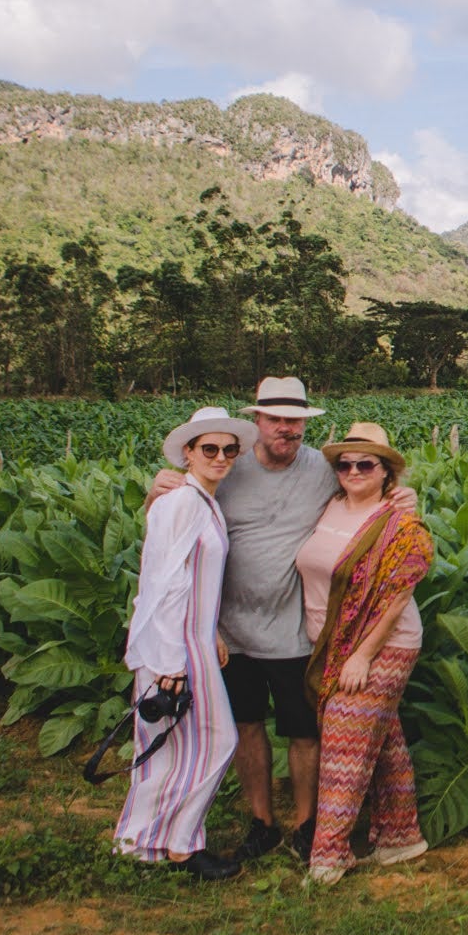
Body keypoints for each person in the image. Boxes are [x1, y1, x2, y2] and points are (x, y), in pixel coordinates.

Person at [149, 375, 342, 862]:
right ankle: (262, 821)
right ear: (257, 421)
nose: (286, 428)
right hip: (229, 633)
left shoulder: (322, 468)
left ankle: (306, 823)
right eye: (275, 418)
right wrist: (157, 494)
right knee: (246, 725)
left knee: (303, 731)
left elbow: (371, 483)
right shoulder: (227, 466)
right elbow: (177, 525)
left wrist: (403, 498)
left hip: (293, 629)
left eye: (295, 420)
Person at [115, 406, 254, 879]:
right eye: (209, 449)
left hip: (193, 638)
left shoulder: (203, 500)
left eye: (228, 449)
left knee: (171, 746)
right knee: (214, 741)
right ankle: (178, 845)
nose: (220, 457)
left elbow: (195, 579)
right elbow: (163, 584)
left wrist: (209, 629)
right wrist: (172, 662)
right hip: (172, 646)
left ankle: (147, 842)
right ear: (189, 454)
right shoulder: (181, 504)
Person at [299, 421, 433, 885]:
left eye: (365, 463)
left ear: (385, 471)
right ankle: (401, 837)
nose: (353, 470)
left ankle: (329, 855)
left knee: (345, 743)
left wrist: (362, 655)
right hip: (334, 642)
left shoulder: (399, 522)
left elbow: (398, 597)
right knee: (383, 736)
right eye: (345, 463)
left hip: (384, 645)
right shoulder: (330, 506)